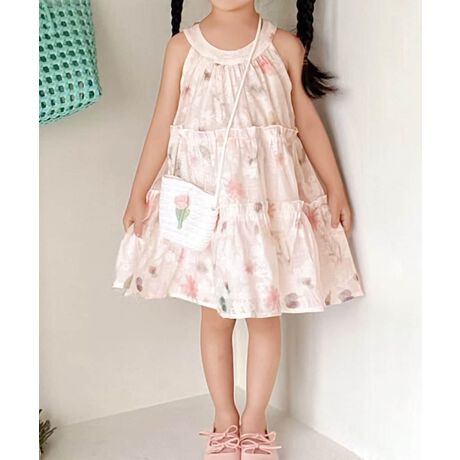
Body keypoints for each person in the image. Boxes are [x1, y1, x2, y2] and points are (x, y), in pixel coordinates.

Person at [113, 1, 364, 458]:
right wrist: (138, 190)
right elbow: (162, 124)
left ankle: (254, 423)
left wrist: (336, 188)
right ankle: (224, 419)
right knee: (216, 319)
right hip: (209, 216)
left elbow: (307, 123)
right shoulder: (182, 48)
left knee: (265, 317)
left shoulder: (283, 46)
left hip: (263, 214)